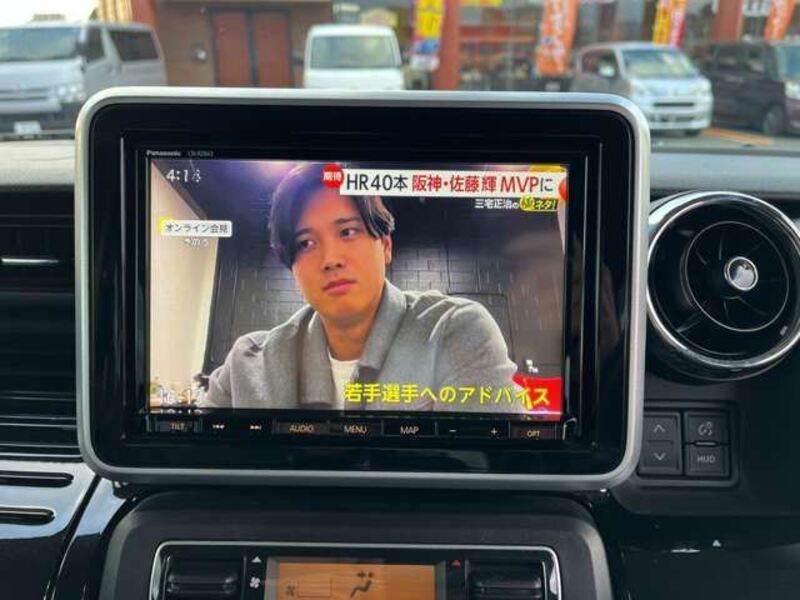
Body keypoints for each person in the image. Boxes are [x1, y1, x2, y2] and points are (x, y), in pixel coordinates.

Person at [203, 163, 519, 412]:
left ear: (385, 246)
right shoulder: (247, 364)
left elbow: (486, 467)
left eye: (348, 232)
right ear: (292, 267)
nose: (330, 259)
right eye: (306, 243)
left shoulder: (456, 331)